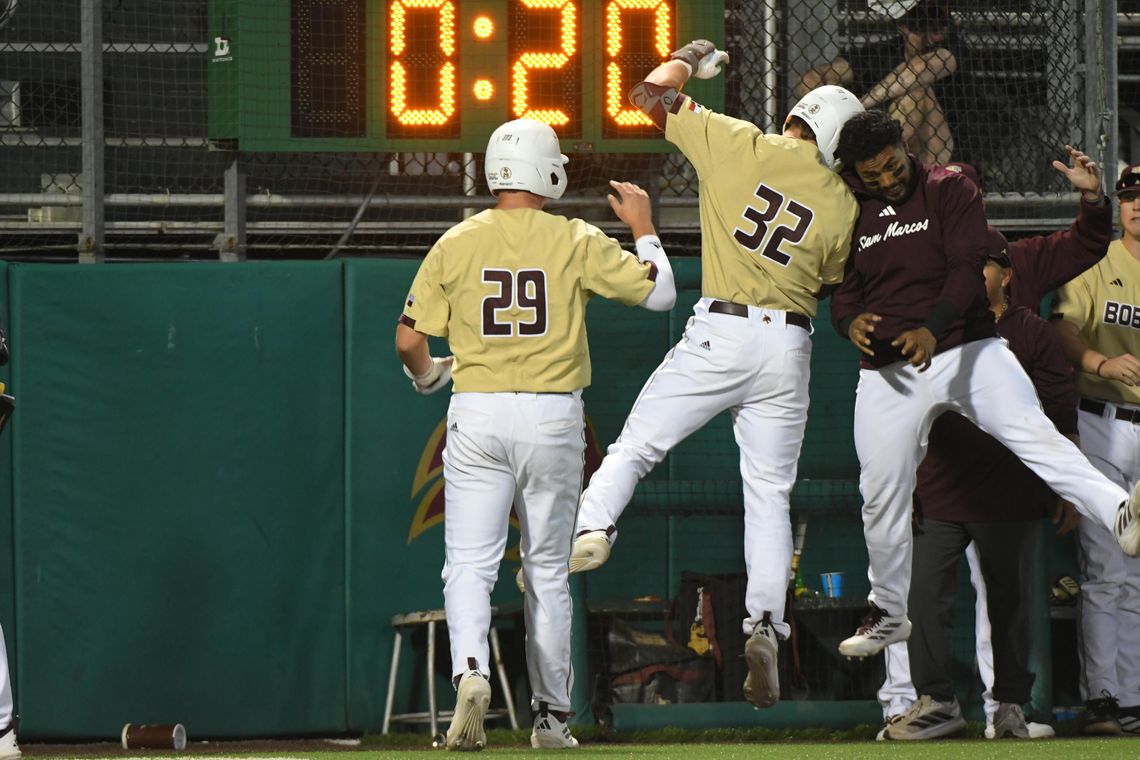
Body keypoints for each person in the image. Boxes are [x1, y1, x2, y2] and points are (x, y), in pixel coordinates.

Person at [525, 39, 864, 709]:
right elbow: (831, 278)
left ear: (795, 118)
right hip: (788, 345)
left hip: (722, 330)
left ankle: (593, 528)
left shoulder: (738, 141)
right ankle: (765, 625)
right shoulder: (844, 203)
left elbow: (647, 95)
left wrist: (691, 54)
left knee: (637, 446)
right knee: (769, 495)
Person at [395, 118, 677, 751]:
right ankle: (550, 720)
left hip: (479, 412)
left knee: (469, 564)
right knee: (547, 571)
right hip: (553, 417)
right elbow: (661, 296)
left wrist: (429, 377)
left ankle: (471, 671)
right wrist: (643, 227)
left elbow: (409, 341)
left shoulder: (457, 240)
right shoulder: (575, 237)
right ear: (547, 172)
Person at [827, 109, 1140, 666]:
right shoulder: (850, 205)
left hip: (966, 347)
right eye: (872, 174)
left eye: (892, 166)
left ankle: (1120, 512)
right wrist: (847, 322)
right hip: (889, 369)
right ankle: (888, 610)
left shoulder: (949, 188)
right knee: (879, 492)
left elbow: (967, 266)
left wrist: (934, 325)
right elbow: (845, 288)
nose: (886, 180)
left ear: (904, 147)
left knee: (1033, 434)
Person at [876, 149, 1111, 740]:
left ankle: (1006, 707)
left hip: (1008, 489)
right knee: (923, 600)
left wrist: (1092, 199)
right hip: (939, 484)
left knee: (1008, 603)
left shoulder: (1022, 299)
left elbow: (1084, 245)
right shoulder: (915, 271)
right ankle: (928, 703)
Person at [1050, 163, 1140, 736]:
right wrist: (1100, 362)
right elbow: (1063, 328)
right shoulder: (1096, 261)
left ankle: (1132, 697)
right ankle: (1105, 697)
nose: (1137, 204)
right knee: (1107, 568)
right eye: (1129, 196)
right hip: (1103, 424)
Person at [795, 0, 971, 165]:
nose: (931, 36)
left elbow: (917, 70)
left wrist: (856, 110)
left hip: (942, 155)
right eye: (920, 26)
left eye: (939, 24)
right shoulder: (883, 52)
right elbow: (811, 79)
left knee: (915, 93)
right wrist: (834, 108)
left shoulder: (954, 47)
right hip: (890, 147)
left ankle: (877, 162)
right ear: (902, 26)